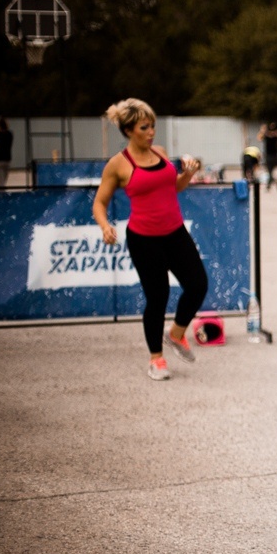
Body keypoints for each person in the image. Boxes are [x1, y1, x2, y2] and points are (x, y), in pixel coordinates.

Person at [93, 98, 209, 381]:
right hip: (144, 240)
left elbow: (174, 187)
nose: (151, 131)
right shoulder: (118, 165)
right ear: (130, 130)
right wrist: (105, 225)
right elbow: (99, 202)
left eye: (153, 126)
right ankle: (156, 359)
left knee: (197, 285)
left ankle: (177, 334)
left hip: (175, 233)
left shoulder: (160, 153)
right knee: (158, 298)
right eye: (145, 127)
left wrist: (188, 174)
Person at [259, 122, 277, 191]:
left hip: (273, 156)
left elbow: (273, 134)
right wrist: (263, 131)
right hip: (269, 155)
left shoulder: (274, 134)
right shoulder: (268, 135)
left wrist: (264, 131)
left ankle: (271, 184)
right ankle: (275, 184)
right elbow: (259, 138)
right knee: (270, 172)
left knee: (270, 172)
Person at [0, 118, 13, 190]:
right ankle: (2, 191)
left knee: (0, 180)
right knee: (4, 178)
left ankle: (1, 193)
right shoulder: (9, 134)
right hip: (7, 158)